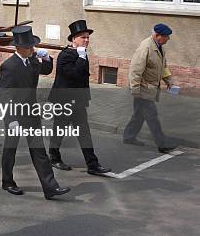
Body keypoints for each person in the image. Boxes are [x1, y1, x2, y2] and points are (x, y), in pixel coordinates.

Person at [0, 26, 70, 200]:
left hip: (31, 113)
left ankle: (50, 187)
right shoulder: (8, 66)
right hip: (15, 114)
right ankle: (7, 181)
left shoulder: (32, 61)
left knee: (39, 150)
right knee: (10, 149)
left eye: (32, 46)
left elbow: (45, 70)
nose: (32, 49)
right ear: (18, 47)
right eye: (28, 46)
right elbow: (4, 95)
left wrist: (47, 58)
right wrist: (11, 120)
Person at [48, 20, 111, 175]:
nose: (87, 40)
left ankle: (92, 164)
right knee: (59, 130)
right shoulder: (65, 55)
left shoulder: (81, 53)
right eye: (83, 37)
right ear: (73, 39)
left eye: (88, 37)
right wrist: (81, 58)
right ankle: (54, 157)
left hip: (78, 101)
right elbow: (74, 75)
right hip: (64, 101)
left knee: (84, 132)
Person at [123, 24, 178, 153]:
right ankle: (162, 143)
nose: (168, 39)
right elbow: (135, 71)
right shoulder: (145, 48)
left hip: (150, 88)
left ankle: (129, 137)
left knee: (139, 115)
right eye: (166, 36)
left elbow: (163, 67)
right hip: (143, 88)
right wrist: (135, 89)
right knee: (152, 116)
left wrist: (169, 81)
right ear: (157, 36)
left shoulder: (160, 48)